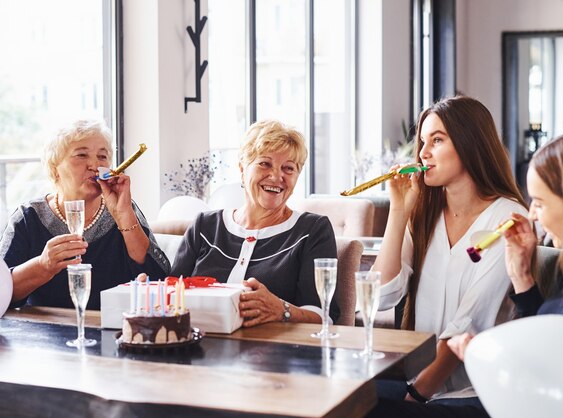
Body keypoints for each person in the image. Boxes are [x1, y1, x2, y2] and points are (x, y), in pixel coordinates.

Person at [368, 96, 528, 418]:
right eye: (423, 142)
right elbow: (382, 296)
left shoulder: (507, 219)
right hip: (416, 383)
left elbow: (466, 325)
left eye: (437, 141)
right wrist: (399, 212)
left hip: (475, 392)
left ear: (470, 144)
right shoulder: (424, 214)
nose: (423, 153)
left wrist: (414, 395)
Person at [448, 128, 563, 363]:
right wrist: (522, 278)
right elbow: (542, 341)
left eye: (540, 204)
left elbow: (548, 379)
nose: (531, 214)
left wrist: (482, 359)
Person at [171, 119, 339, 327]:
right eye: (265, 164)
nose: (277, 176)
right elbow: (171, 295)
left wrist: (281, 310)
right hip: (198, 349)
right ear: (242, 169)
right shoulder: (204, 226)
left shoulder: (312, 231)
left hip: (275, 354)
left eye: (288, 168)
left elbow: (324, 316)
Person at [0, 120, 169, 310]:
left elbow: (159, 279)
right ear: (55, 169)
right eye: (81, 155)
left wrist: (124, 216)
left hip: (111, 329)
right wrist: (43, 265)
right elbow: (3, 291)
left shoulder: (126, 209)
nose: (94, 165)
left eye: (102, 156)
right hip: (45, 332)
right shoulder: (28, 217)